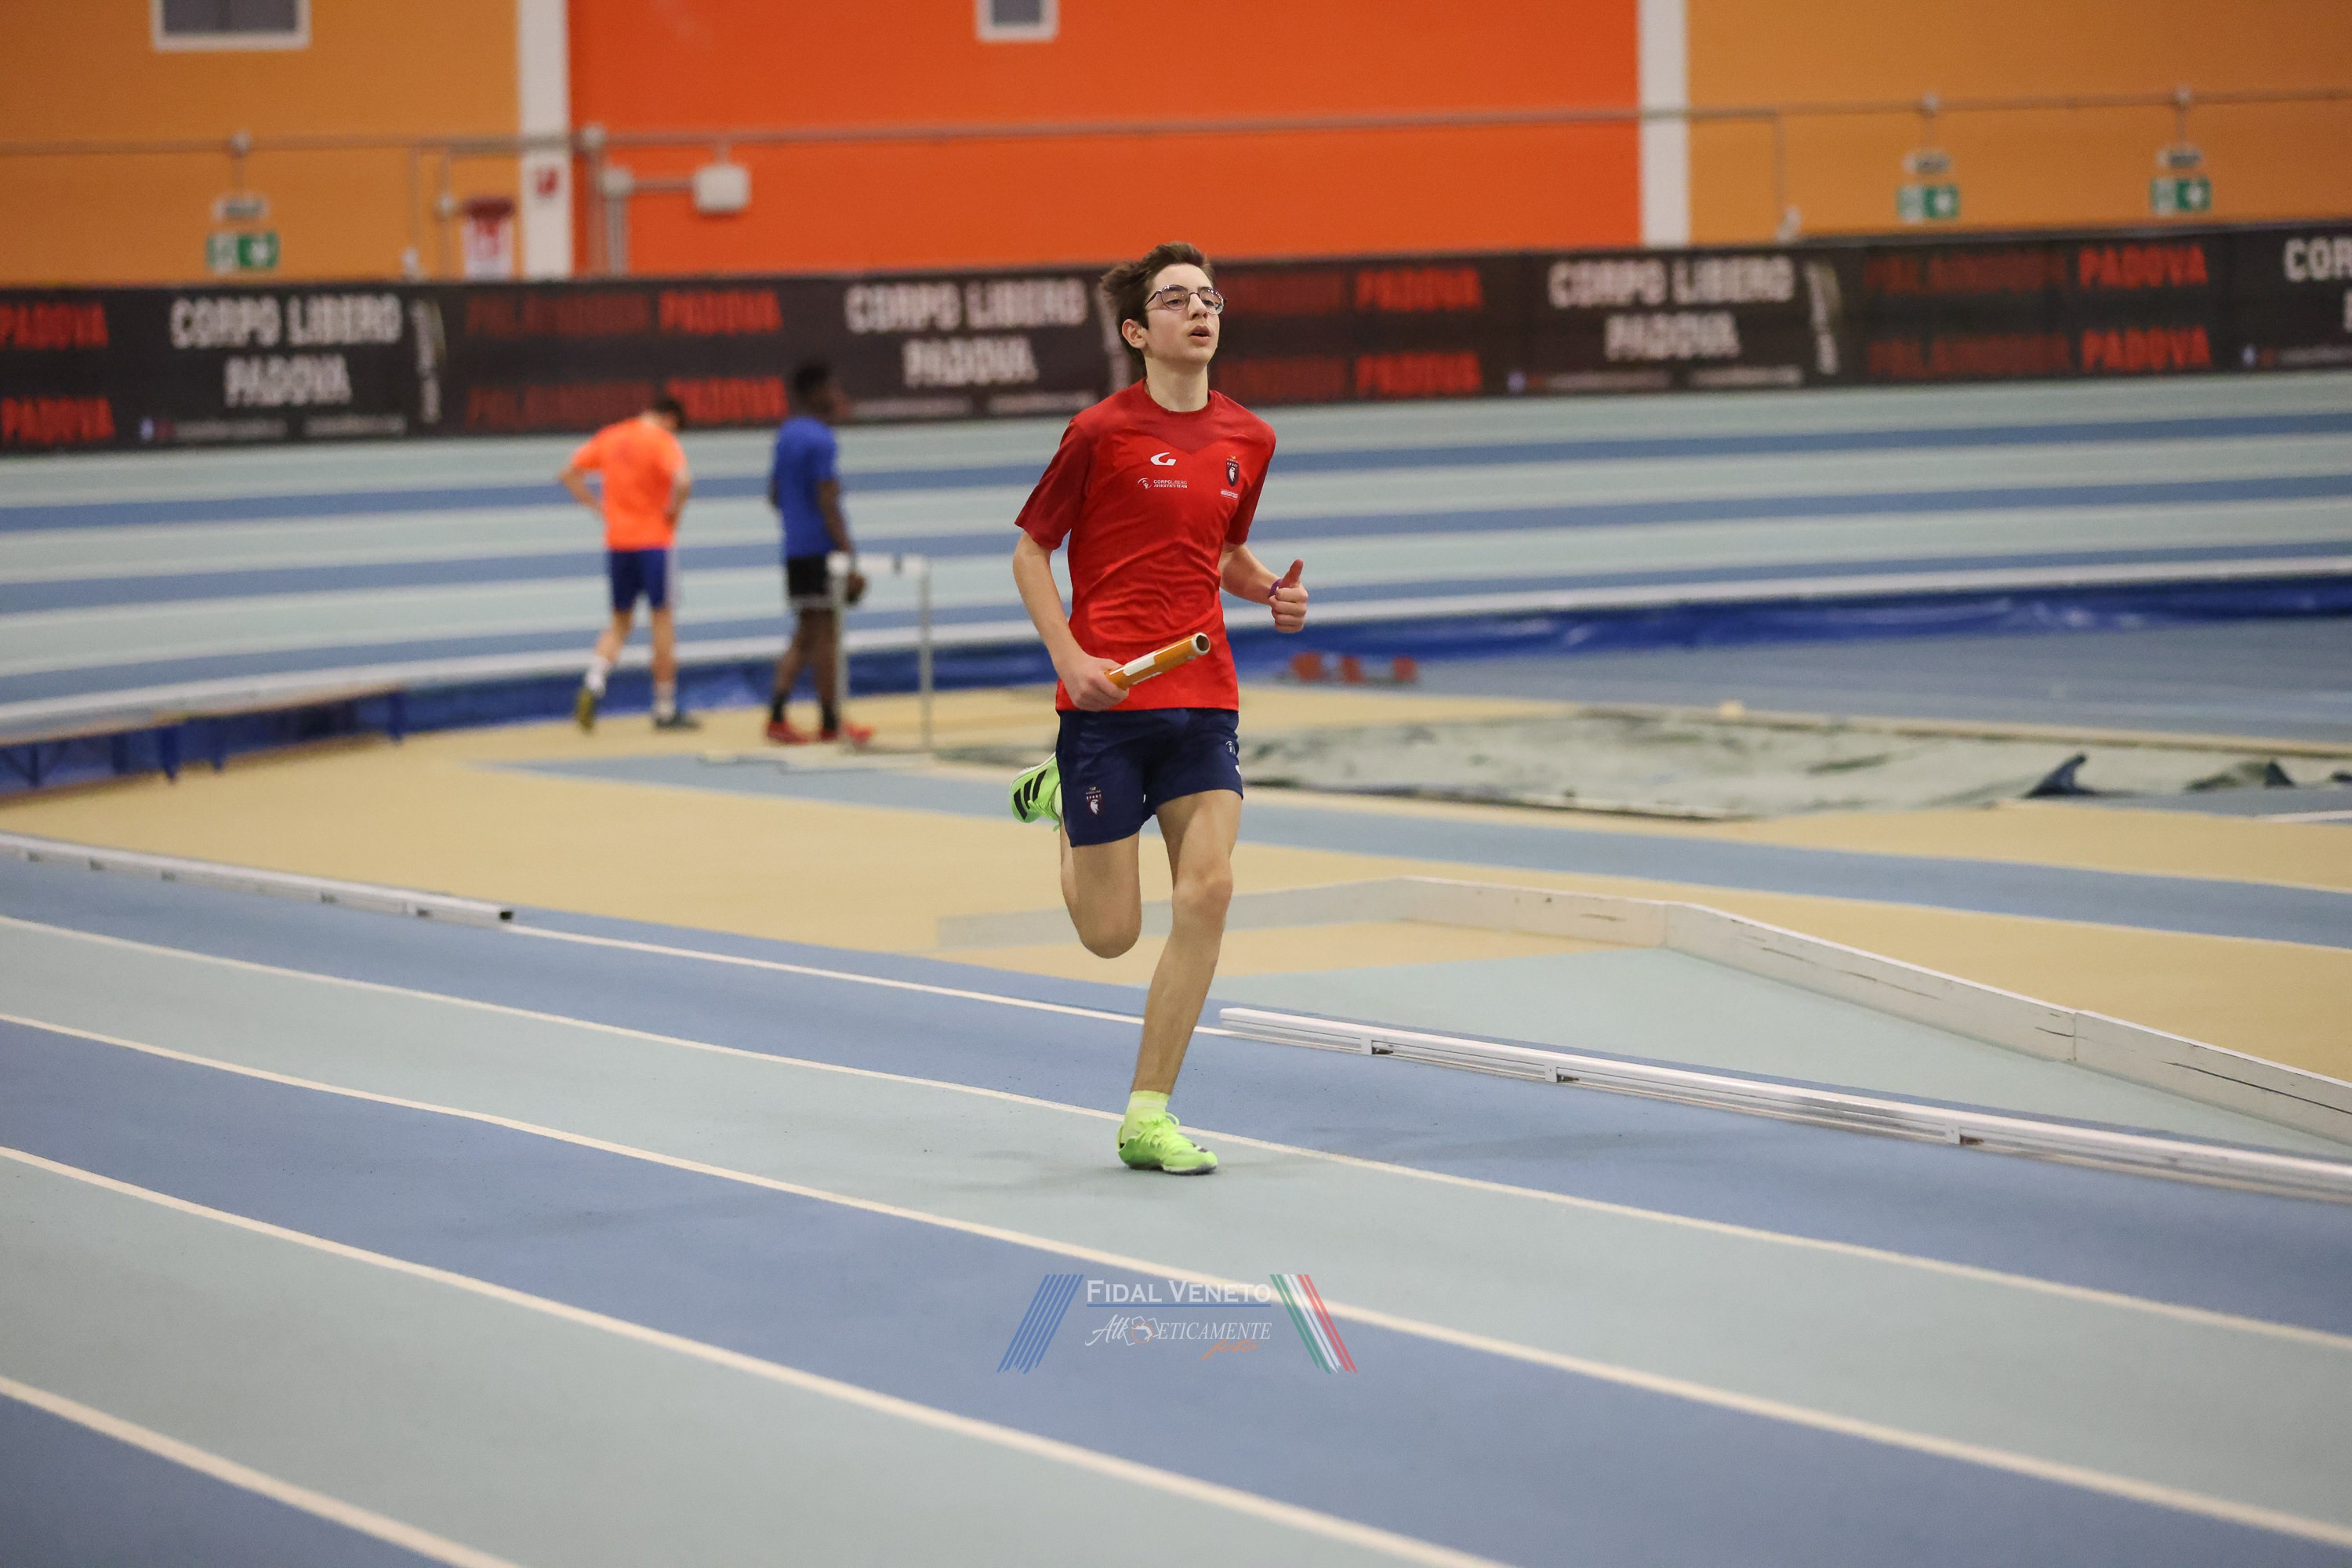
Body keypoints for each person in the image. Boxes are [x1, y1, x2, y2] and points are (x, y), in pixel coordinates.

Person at [1007, 241, 1308, 1176]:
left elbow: (1221, 551)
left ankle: (1148, 1113)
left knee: (1208, 890)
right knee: (1111, 936)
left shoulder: (1250, 438)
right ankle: (1062, 796)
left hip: (1203, 696)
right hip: (1106, 700)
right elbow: (1030, 551)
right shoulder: (1098, 431)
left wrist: (1270, 590)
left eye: (1209, 296)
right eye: (1176, 299)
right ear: (1138, 332)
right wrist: (1072, 659)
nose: (1200, 310)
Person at [561, 393, 699, 731]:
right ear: (670, 419)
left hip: (619, 542)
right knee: (662, 622)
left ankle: (594, 681)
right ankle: (664, 707)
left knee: (619, 622)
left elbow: (569, 474)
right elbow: (684, 481)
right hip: (655, 542)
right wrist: (674, 513)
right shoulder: (661, 440)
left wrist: (597, 508)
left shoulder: (611, 436)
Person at [765, 361, 873, 746]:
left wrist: (797, 518)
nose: (837, 395)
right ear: (816, 393)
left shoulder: (786, 435)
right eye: (832, 388)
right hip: (820, 550)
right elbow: (828, 501)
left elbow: (774, 495)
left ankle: (779, 717)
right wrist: (847, 553)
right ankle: (830, 722)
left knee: (806, 635)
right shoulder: (821, 440)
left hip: (795, 549)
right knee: (825, 637)